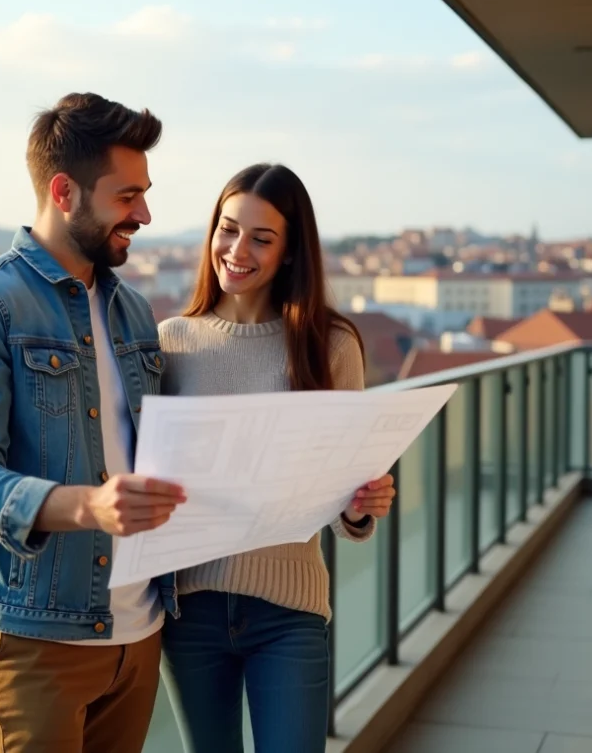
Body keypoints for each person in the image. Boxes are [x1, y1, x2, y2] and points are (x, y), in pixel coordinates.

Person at [0, 92, 188, 753]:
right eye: (128, 196)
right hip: (36, 643)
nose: (145, 214)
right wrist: (89, 505)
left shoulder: (132, 310)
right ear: (64, 191)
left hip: (140, 634)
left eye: (145, 194)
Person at [157, 162, 398, 753]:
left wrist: (364, 504)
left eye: (261, 238)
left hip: (289, 611)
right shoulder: (170, 343)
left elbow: (347, 506)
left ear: (290, 253)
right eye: (228, 229)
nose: (237, 250)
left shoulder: (331, 345)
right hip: (189, 612)